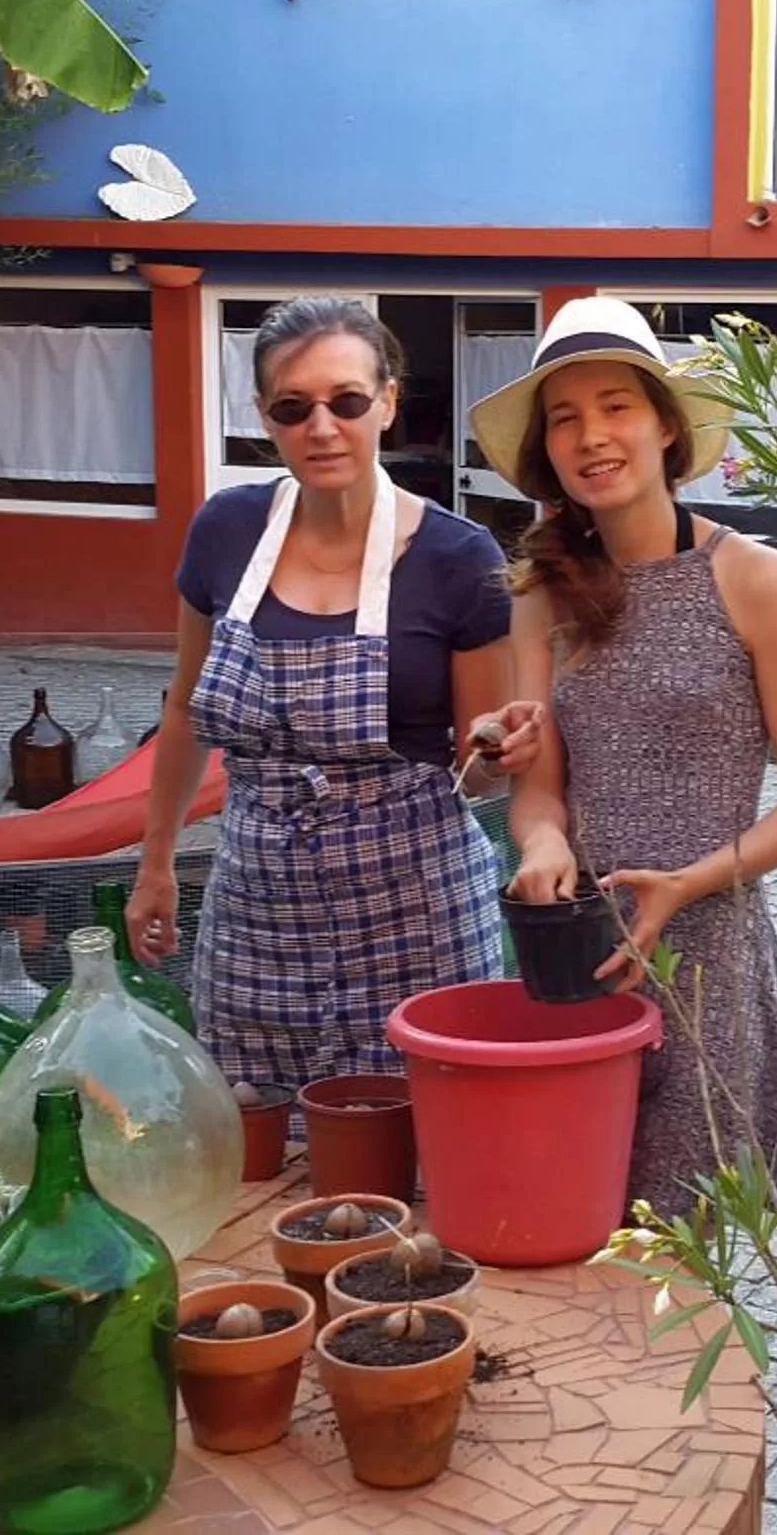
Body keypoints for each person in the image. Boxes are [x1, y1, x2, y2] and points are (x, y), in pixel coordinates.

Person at [472, 296, 777, 1215]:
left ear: (667, 428)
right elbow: (538, 792)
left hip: (707, 953)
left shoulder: (758, 580)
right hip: (579, 954)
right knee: (567, 1215)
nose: (591, 436)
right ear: (545, 453)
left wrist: (685, 882)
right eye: (564, 419)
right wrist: (543, 844)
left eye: (615, 406)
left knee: (688, 1238)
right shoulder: (539, 595)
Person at [130, 297, 511, 1086]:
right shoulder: (224, 532)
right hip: (256, 907)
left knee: (419, 1147)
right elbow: (182, 706)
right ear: (265, 417)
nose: (322, 427)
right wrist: (156, 861)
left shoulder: (458, 558)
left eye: (347, 401)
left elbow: (478, 767)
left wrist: (501, 755)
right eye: (292, 407)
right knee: (254, 1138)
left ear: (388, 401)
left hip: (418, 909)